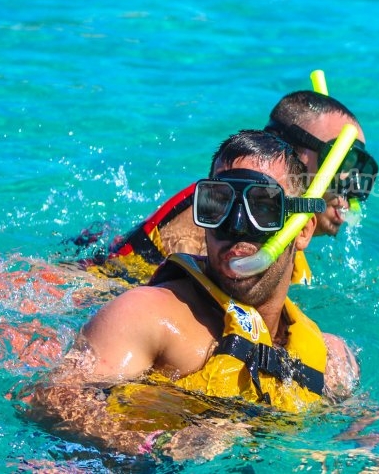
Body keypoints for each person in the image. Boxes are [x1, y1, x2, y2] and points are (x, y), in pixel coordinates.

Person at [23, 130, 360, 459]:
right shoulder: (149, 316)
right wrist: (164, 444)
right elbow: (48, 398)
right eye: (218, 205)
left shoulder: (331, 359)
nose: (236, 225)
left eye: (263, 207)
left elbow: (362, 434)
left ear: (302, 231)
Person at [81, 90, 379, 285]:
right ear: (290, 153)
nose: (348, 186)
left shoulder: (285, 224)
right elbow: (141, 291)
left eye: (356, 170)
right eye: (340, 164)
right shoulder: (219, 216)